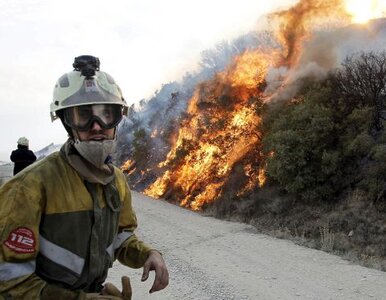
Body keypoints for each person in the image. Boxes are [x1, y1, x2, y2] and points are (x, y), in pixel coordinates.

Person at [0, 55, 169, 299]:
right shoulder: (29, 187)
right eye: (84, 115)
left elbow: (121, 236)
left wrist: (148, 254)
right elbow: (9, 281)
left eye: (106, 114)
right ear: (68, 123)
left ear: (117, 119)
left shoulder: (117, 181)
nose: (97, 125)